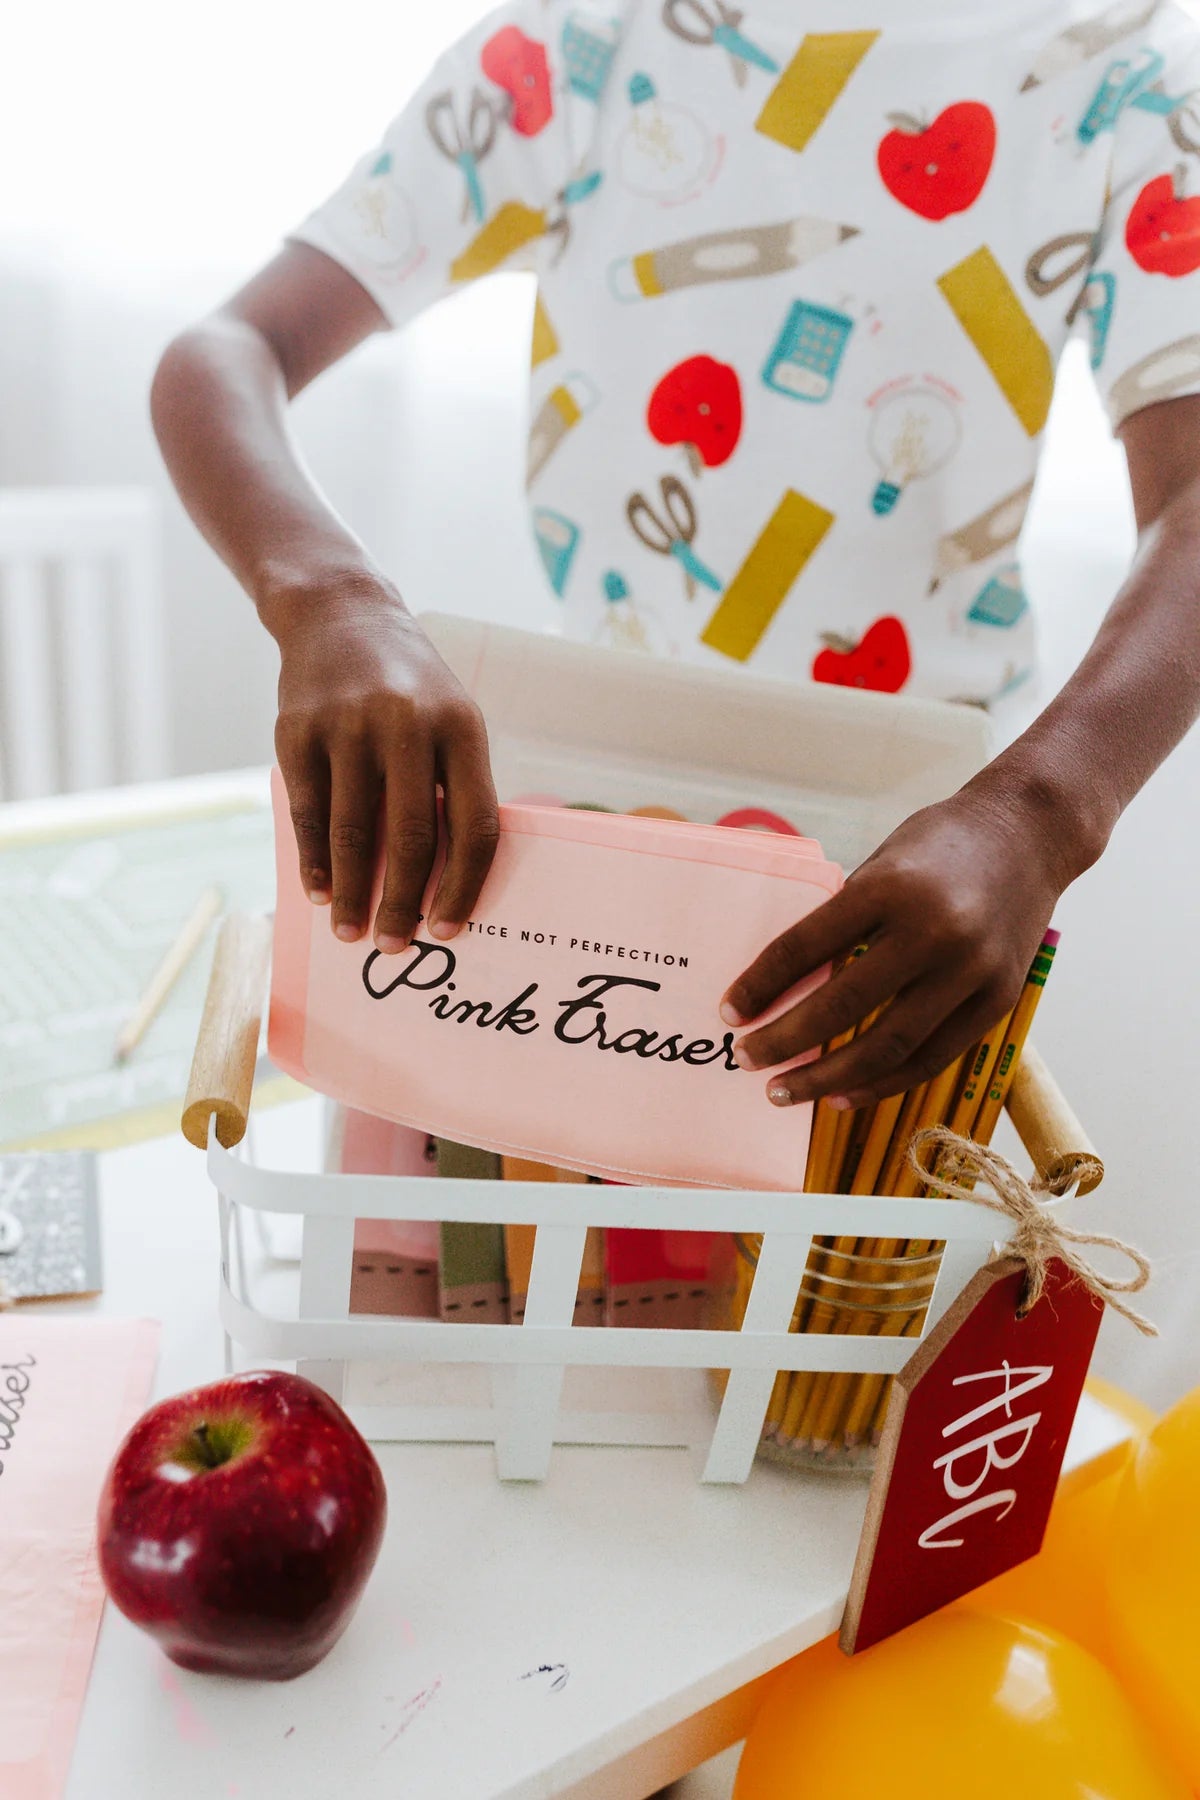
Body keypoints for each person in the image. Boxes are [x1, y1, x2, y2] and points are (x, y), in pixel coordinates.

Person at [152, 0, 1200, 1113]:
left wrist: (1037, 813)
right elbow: (229, 348)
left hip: (920, 872)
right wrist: (333, 601)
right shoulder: (585, 39)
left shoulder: (1131, 73)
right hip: (589, 832)